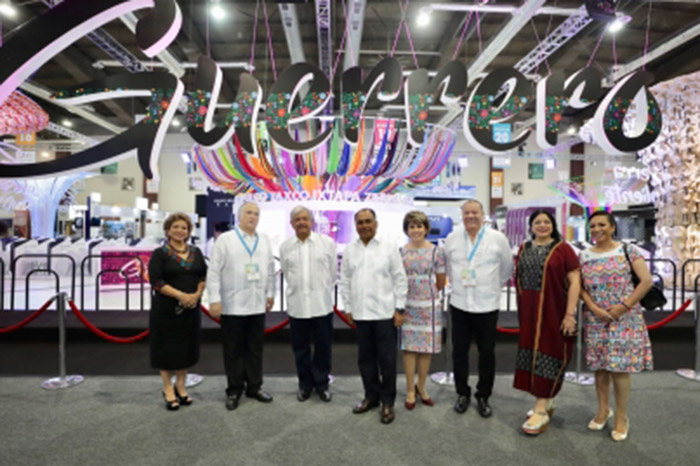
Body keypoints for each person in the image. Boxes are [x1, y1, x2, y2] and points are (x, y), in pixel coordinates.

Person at [579, 210, 653, 442]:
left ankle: (621, 416)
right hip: (596, 318)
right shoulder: (584, 255)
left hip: (625, 317)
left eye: (602, 225)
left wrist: (624, 306)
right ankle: (603, 410)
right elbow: (580, 287)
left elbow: (646, 281)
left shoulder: (628, 250)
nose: (597, 229)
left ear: (612, 227)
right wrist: (593, 307)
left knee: (620, 368)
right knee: (600, 367)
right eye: (593, 226)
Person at [514, 210, 580, 435]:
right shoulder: (524, 248)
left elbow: (575, 282)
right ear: (531, 226)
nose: (542, 225)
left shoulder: (563, 249)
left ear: (553, 225)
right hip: (529, 313)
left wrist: (569, 314)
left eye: (546, 222)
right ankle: (546, 400)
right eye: (537, 222)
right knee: (531, 353)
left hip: (553, 310)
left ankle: (540, 409)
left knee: (550, 351)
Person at [445, 199, 513, 418]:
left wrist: (491, 286)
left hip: (487, 305)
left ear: (483, 215)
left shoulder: (497, 238)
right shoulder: (452, 238)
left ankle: (483, 395)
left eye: (475, 212)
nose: (471, 216)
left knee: (487, 353)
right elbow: (448, 267)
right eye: (466, 213)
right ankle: (462, 393)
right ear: (461, 215)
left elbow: (507, 268)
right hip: (460, 304)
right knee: (459, 352)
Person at [340, 208, 408, 424]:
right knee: (365, 360)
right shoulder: (350, 250)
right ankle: (371, 397)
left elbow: (400, 279)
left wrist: (400, 309)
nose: (364, 226)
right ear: (355, 226)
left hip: (385, 314)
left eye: (368, 221)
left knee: (387, 361)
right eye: (360, 223)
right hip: (361, 314)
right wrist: (348, 308)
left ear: (376, 224)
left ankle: (387, 402)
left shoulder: (388, 248)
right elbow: (345, 281)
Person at [207, 202, 276, 410]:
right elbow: (213, 271)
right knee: (234, 350)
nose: (252, 217)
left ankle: (254, 386)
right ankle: (234, 389)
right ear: (239, 216)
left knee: (255, 349)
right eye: (248, 213)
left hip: (257, 304)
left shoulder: (264, 240)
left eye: (256, 214)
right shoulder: (226, 240)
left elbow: (270, 269)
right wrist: (214, 299)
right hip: (233, 305)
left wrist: (270, 294)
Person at [148, 213, 207, 411]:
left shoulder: (196, 252)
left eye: (184, 228)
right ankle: (167, 388)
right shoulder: (160, 253)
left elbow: (203, 276)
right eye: (176, 227)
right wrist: (181, 295)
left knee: (186, 347)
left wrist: (196, 295)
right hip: (166, 310)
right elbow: (156, 281)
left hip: (191, 308)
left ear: (189, 231)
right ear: (168, 230)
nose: (180, 231)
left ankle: (180, 385)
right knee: (166, 348)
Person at [279, 206, 337, 402]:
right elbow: (286, 272)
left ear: (312, 222)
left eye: (305, 218)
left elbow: (332, 274)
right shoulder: (285, 246)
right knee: (300, 350)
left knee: (323, 349)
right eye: (297, 219)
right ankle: (305, 385)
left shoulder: (326, 243)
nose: (301, 222)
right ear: (291, 223)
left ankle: (322, 384)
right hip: (298, 306)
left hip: (321, 305)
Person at [399, 211, 446, 410]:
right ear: (406, 230)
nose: (416, 230)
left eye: (419, 226)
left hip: (428, 305)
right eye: (412, 226)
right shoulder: (400, 252)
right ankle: (410, 388)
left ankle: (422, 386)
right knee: (409, 347)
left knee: (426, 348)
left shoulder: (437, 252)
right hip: (407, 304)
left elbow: (441, 280)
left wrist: (427, 293)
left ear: (426, 229)